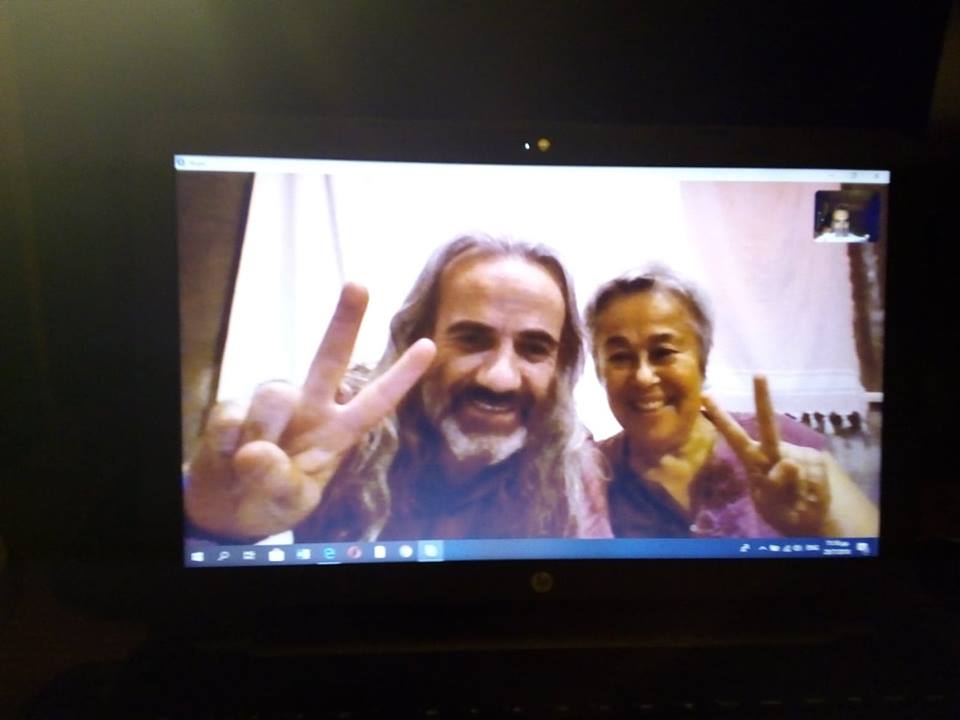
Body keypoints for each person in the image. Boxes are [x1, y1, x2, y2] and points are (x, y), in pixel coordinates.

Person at [185, 234, 611, 543]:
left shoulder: (571, 468)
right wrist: (213, 526)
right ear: (413, 339)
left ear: (561, 367)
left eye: (534, 349)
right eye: (471, 339)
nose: (499, 378)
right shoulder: (334, 434)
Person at [584, 267, 879, 538]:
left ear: (702, 361)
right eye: (620, 357)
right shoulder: (588, 477)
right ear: (600, 371)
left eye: (663, 352)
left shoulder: (784, 445)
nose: (643, 377)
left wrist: (819, 524)